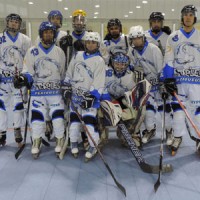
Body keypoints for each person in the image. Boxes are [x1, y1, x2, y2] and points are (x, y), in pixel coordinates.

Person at [13, 21, 66, 158]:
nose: (48, 35)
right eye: (45, 32)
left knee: (58, 118)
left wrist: (65, 87)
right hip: (38, 93)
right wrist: (23, 79)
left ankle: (60, 139)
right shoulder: (32, 51)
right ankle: (36, 141)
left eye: (50, 32)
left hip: (55, 92)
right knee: (36, 118)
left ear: (54, 34)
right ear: (41, 34)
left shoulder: (59, 52)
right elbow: (28, 71)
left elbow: (62, 73)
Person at [62, 32, 106, 161]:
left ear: (97, 45)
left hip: (89, 100)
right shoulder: (77, 55)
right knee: (74, 123)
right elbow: (70, 73)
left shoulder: (99, 61)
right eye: (88, 42)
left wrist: (92, 97)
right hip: (75, 98)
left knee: (89, 124)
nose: (90, 45)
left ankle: (93, 145)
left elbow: (99, 81)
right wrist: (66, 86)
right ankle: (74, 142)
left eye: (93, 42)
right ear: (85, 43)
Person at [162, 5, 200, 155]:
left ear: (194, 17)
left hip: (197, 83)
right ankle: (177, 137)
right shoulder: (173, 37)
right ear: (182, 17)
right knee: (178, 113)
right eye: (185, 14)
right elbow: (168, 60)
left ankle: (198, 139)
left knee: (198, 114)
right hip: (179, 83)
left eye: (191, 14)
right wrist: (169, 79)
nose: (188, 17)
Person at [128, 25, 173, 145]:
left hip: (158, 85)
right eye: (133, 39)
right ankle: (150, 130)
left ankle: (169, 131)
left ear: (143, 37)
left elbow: (160, 69)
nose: (136, 41)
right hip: (146, 87)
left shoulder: (153, 49)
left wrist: (162, 85)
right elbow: (132, 67)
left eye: (138, 38)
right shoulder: (131, 51)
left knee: (164, 110)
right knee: (148, 111)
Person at [100, 52, 145, 147]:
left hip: (122, 103)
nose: (120, 67)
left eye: (123, 64)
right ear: (112, 63)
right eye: (117, 64)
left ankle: (130, 134)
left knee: (139, 109)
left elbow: (135, 97)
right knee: (95, 110)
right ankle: (100, 136)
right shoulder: (104, 72)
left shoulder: (132, 76)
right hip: (106, 102)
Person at [0, 13, 31, 147]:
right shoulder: (0, 38)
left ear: (19, 24)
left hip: (18, 81)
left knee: (18, 107)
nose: (14, 24)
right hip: (2, 80)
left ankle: (17, 132)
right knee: (1, 107)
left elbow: (28, 60)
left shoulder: (25, 39)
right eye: (11, 21)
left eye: (16, 22)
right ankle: (2, 133)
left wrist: (25, 76)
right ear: (7, 23)